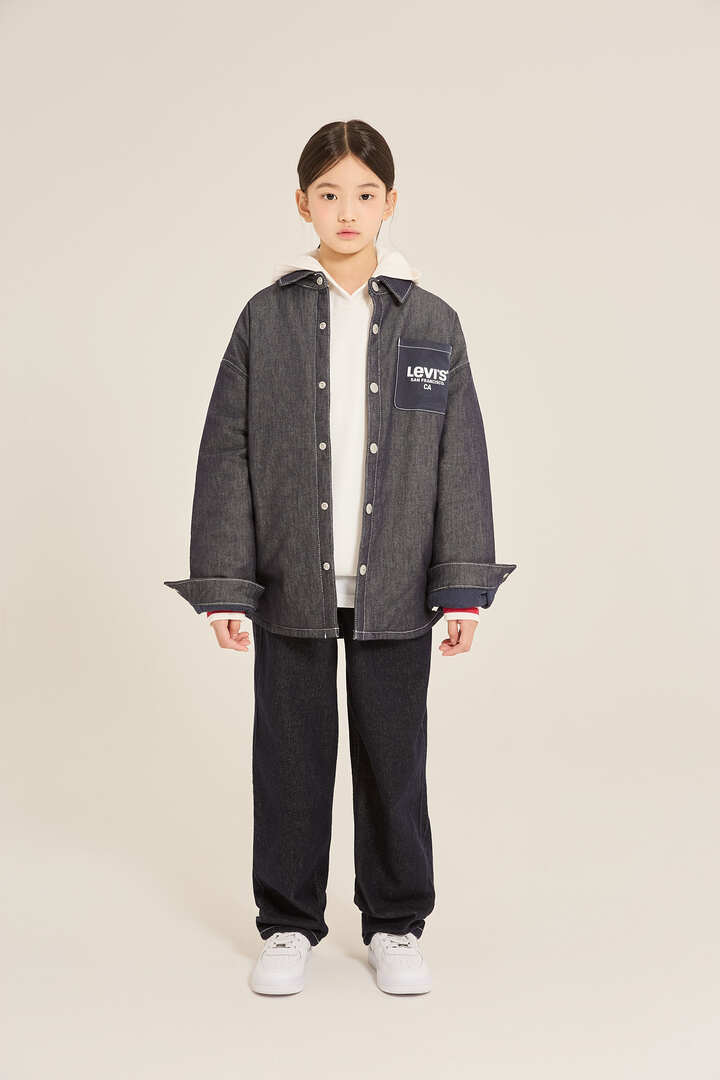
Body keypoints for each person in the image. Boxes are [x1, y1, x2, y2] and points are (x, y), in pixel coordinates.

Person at [164, 119, 516, 996]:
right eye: (329, 194)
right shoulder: (266, 317)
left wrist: (462, 586)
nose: (347, 211)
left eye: (364, 194)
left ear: (390, 203)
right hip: (293, 580)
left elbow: (460, 457)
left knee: (394, 758)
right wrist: (227, 586)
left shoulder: (432, 321)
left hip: (397, 581)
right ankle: (288, 924)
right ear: (302, 203)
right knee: (290, 756)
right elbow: (227, 451)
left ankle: (395, 923)